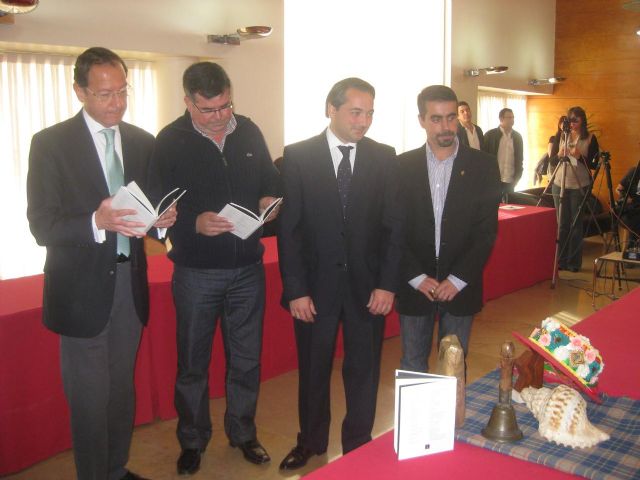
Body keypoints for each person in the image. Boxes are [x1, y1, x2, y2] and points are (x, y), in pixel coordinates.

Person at [26, 47, 176, 480]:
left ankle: (115, 469)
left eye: (122, 92)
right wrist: (96, 221)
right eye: (104, 94)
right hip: (80, 292)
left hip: (129, 284)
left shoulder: (142, 142)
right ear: (79, 91)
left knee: (120, 390)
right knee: (89, 398)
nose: (116, 103)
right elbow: (42, 225)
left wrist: (161, 223)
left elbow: (148, 212)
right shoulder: (51, 144)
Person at [148, 62, 280, 475]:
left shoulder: (249, 131)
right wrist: (193, 223)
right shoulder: (169, 141)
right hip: (196, 272)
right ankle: (192, 440)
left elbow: (270, 179)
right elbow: (155, 209)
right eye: (208, 110)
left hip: (248, 269)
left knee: (246, 360)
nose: (220, 117)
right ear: (188, 102)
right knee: (193, 364)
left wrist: (269, 200)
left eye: (226, 106)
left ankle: (243, 433)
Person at [277, 77, 404, 470]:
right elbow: (290, 230)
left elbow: (393, 227)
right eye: (355, 112)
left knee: (364, 370)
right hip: (315, 290)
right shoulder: (298, 156)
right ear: (331, 109)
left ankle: (359, 445)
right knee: (313, 369)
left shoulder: (384, 157)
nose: (363, 121)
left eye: (369, 113)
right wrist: (296, 289)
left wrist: (387, 284)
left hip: (368, 288)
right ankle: (311, 441)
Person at [396, 85, 500, 374]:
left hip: (460, 287)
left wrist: (457, 279)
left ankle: (451, 410)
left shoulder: (483, 166)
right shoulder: (400, 166)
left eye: (451, 117)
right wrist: (416, 277)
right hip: (415, 285)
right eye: (436, 119)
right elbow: (394, 229)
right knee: (412, 363)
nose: (445, 126)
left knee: (453, 367)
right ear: (421, 120)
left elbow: (486, 231)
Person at [549, 106, 599, 272]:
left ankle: (574, 263)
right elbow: (551, 161)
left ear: (583, 120)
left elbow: (594, 164)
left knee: (575, 225)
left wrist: (580, 157)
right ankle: (560, 261)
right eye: (570, 120)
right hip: (560, 184)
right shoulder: (561, 135)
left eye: (576, 120)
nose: (573, 124)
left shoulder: (590, 138)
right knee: (562, 224)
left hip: (579, 185)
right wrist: (559, 154)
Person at [483, 108, 523, 202]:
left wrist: (517, 177)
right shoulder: (490, 135)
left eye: (513, 117)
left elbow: (520, 159)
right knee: (493, 205)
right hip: (494, 179)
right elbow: (484, 158)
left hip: (510, 179)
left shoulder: (517, 137)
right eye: (509, 117)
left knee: (509, 206)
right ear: (501, 119)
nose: (512, 120)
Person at [616, 165, 640, 245]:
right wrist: (626, 198)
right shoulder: (634, 171)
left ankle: (633, 246)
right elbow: (618, 189)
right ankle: (633, 246)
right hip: (629, 210)